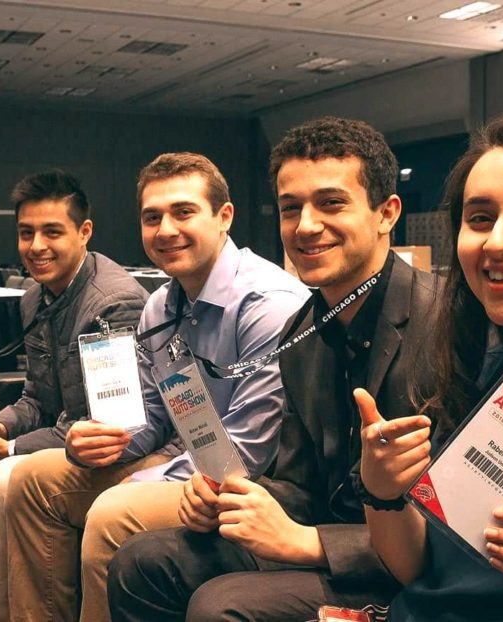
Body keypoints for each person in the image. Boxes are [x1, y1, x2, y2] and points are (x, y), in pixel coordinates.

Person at [106, 116, 438, 621]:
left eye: (331, 203)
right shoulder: (303, 331)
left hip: (408, 567)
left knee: (219, 607)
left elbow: (451, 528)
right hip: (322, 536)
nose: (305, 226)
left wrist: (308, 543)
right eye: (291, 208)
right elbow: (300, 481)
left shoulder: (443, 326)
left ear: (386, 213)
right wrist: (226, 495)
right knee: (143, 562)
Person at [3, 152, 310, 622]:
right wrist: (103, 438)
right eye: (152, 217)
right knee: (30, 480)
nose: (166, 229)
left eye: (183, 212)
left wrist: (141, 478)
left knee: (113, 512)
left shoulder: (268, 304)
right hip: (188, 460)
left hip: (249, 482)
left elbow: (248, 450)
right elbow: (150, 414)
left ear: (224, 217)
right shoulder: (160, 307)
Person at [356, 114, 503, 621]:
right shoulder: (478, 355)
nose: (497, 241)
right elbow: (426, 572)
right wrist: (381, 490)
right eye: (480, 219)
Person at [0, 169, 150, 622]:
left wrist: (8, 447)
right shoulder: (33, 296)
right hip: (56, 437)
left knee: (8, 476)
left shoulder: (115, 303)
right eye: (26, 233)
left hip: (106, 448)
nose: (36, 246)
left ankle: (3, 615)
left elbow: (104, 425)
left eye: (52, 232)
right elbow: (37, 398)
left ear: (84, 232)